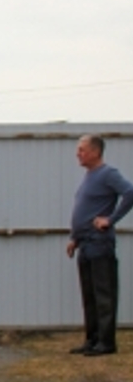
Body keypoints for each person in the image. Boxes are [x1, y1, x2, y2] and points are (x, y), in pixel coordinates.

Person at [66, 135, 133, 356]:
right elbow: (86, 210)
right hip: (85, 244)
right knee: (89, 296)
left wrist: (110, 219)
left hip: (100, 244)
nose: (78, 153)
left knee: (103, 294)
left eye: (82, 149)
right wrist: (74, 239)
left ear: (95, 152)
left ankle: (106, 342)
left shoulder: (108, 174)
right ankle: (92, 340)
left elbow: (130, 193)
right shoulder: (89, 176)